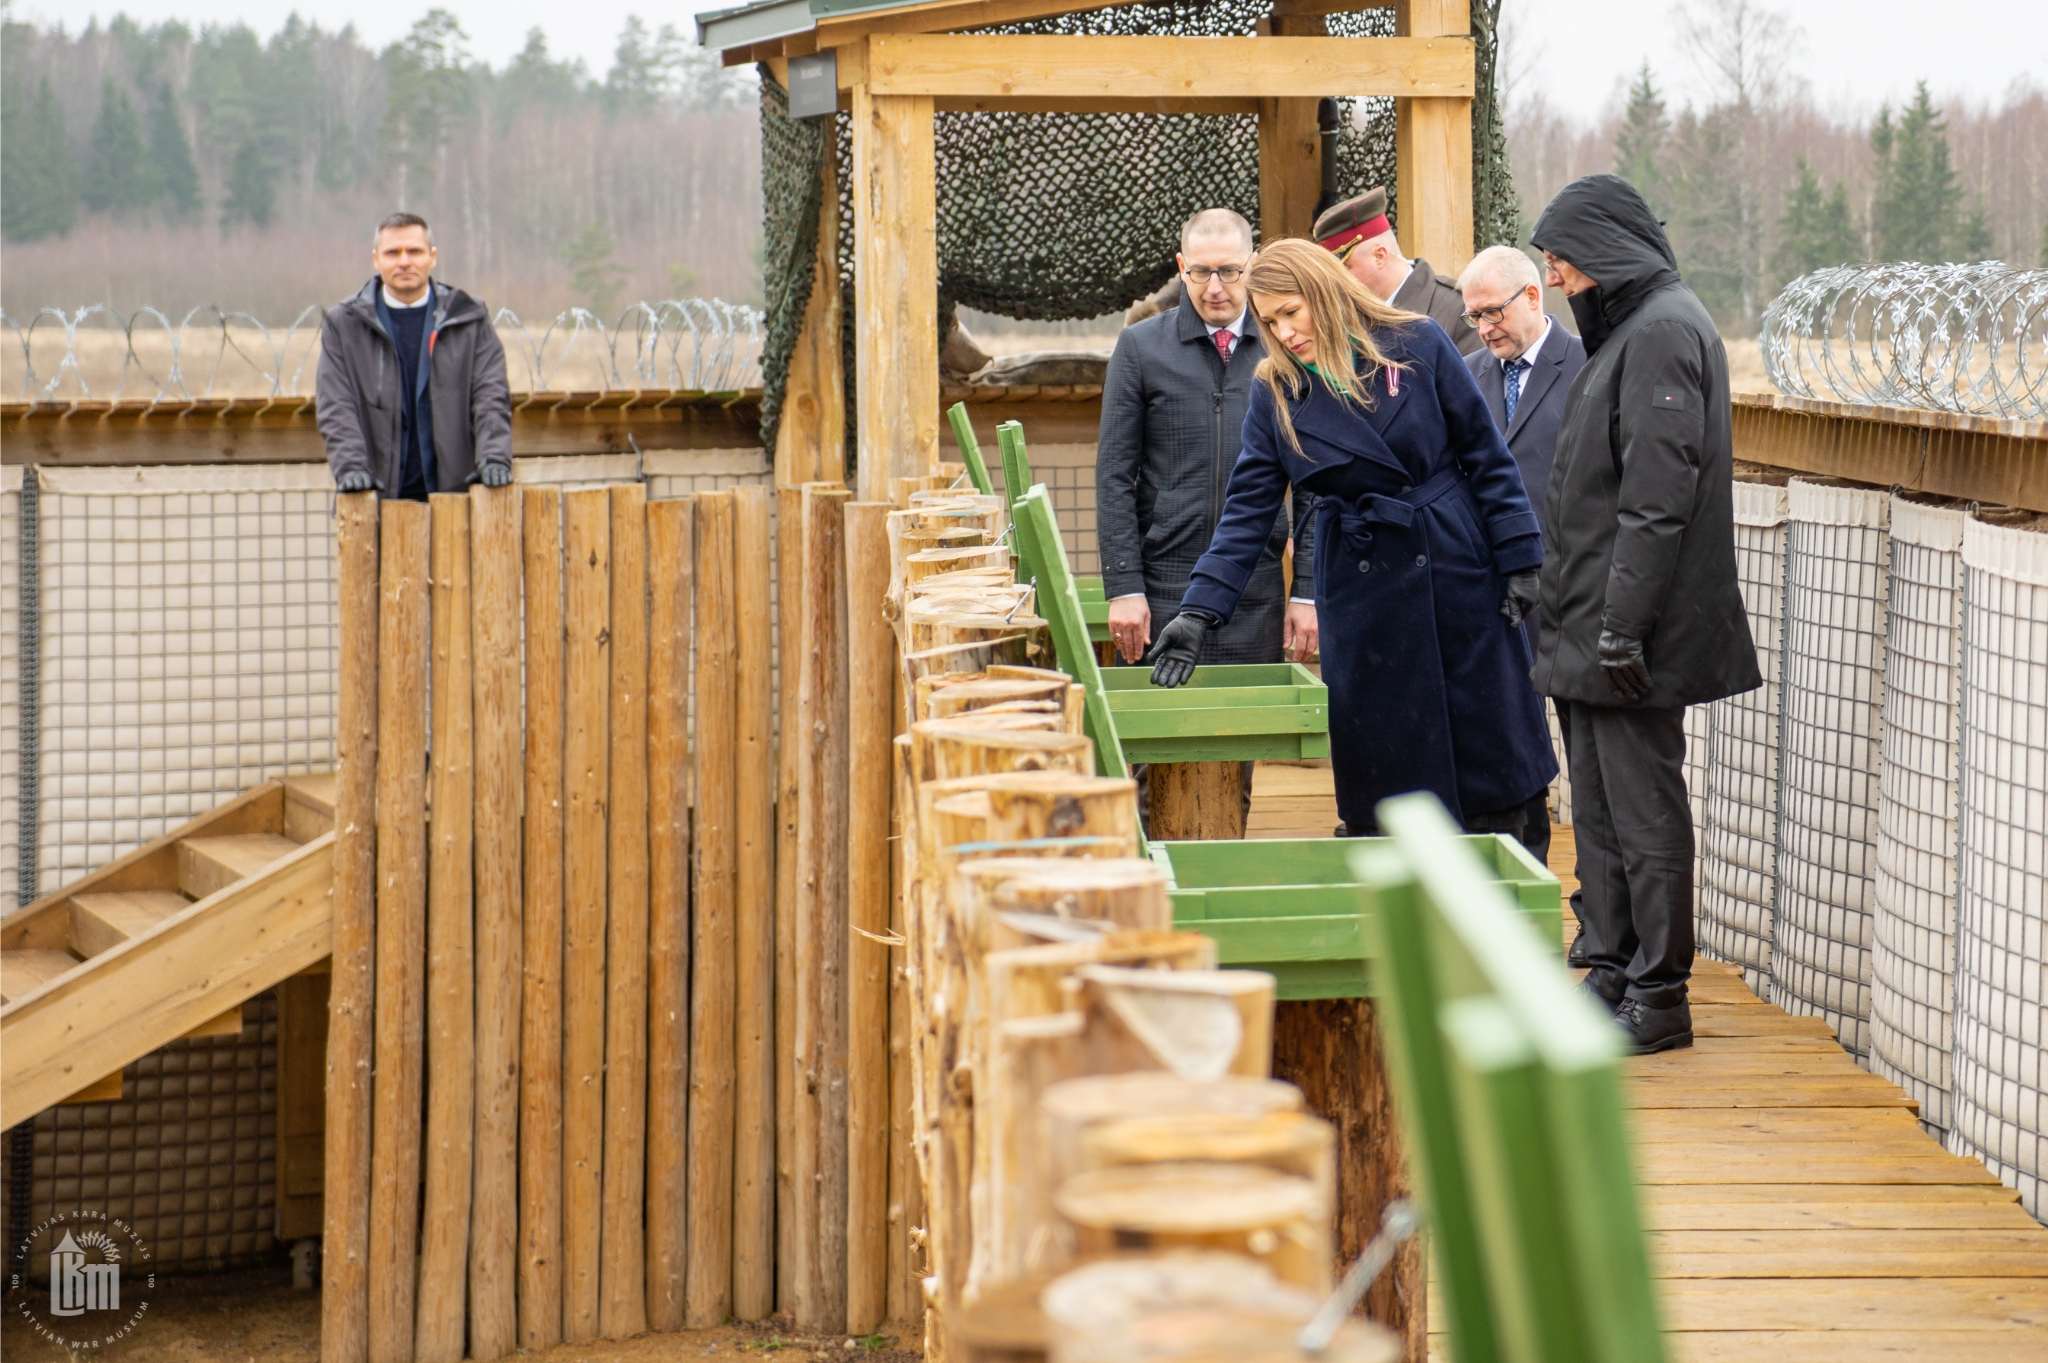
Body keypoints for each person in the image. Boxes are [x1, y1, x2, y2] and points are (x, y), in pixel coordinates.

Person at [1146, 238, 1556, 853]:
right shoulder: (1275, 393)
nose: (1283, 332)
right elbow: (1248, 512)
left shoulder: (1416, 342)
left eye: (1292, 312)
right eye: (1270, 320)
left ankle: (1512, 900)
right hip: (1366, 594)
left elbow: (1486, 454)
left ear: (1325, 295)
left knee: (1493, 761)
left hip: (1456, 566)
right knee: (1391, 783)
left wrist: (1520, 558)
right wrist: (1198, 612)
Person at [1528, 174, 1760, 1055]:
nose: (1557, 282)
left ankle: (1659, 994)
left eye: (1563, 263)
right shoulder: (1634, 328)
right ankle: (1615, 969)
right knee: (1598, 810)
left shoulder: (1662, 330)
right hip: (1591, 627)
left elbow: (1657, 501)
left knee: (1644, 810)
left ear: (1603, 254)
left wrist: (1622, 625)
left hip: (1628, 635)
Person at [1097, 208, 1318, 669]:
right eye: (1200, 272)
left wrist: (1307, 591)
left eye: (1230, 271)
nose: (1214, 287)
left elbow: (1314, 485)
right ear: (1181, 266)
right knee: (1153, 733)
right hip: (1161, 588)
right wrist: (1124, 586)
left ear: (1252, 265)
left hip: (1256, 589)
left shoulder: (1287, 351)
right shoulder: (1139, 349)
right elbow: (1114, 475)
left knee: (1256, 734)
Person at [1458, 244, 1589, 903]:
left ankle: (1598, 913)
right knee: (1510, 759)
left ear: (1534, 296)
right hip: (1495, 606)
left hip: (1573, 601)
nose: (1484, 327)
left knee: (1589, 769)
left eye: (1493, 311)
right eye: (1474, 316)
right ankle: (1518, 889)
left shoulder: (1587, 369)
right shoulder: (1465, 374)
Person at [318, 212, 513, 497]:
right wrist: (351, 468)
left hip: (457, 503)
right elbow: (336, 406)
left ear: (432, 257)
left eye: (414, 251)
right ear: (376, 259)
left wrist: (494, 458)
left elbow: (491, 396)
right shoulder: (344, 325)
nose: (404, 261)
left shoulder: (469, 318)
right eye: (393, 253)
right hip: (374, 500)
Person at [1311, 188, 1482, 355]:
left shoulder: (1457, 307)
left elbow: (1478, 378)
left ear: (1379, 256)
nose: (1338, 281)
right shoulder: (1344, 319)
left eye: (1345, 268)